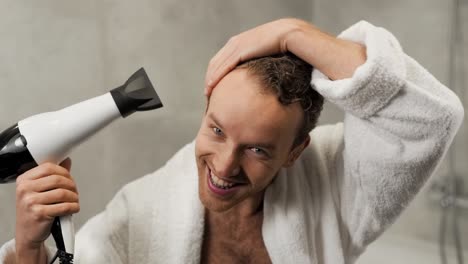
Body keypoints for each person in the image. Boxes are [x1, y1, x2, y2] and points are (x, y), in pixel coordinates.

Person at [1, 18, 464, 264]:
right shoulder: (142, 212)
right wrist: (27, 250)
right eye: (217, 130)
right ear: (205, 112)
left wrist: (293, 32)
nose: (223, 166)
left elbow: (428, 118)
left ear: (295, 152)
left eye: (258, 149)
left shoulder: (338, 184)